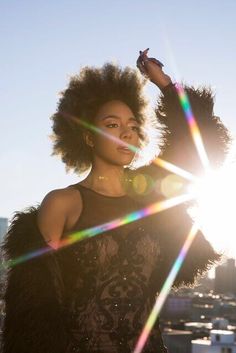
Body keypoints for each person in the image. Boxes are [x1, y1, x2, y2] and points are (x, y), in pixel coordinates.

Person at [2, 50, 230, 353]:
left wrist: (163, 85)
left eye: (134, 126)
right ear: (88, 138)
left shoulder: (151, 194)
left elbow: (201, 145)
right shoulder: (63, 203)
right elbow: (33, 313)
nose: (127, 132)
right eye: (112, 124)